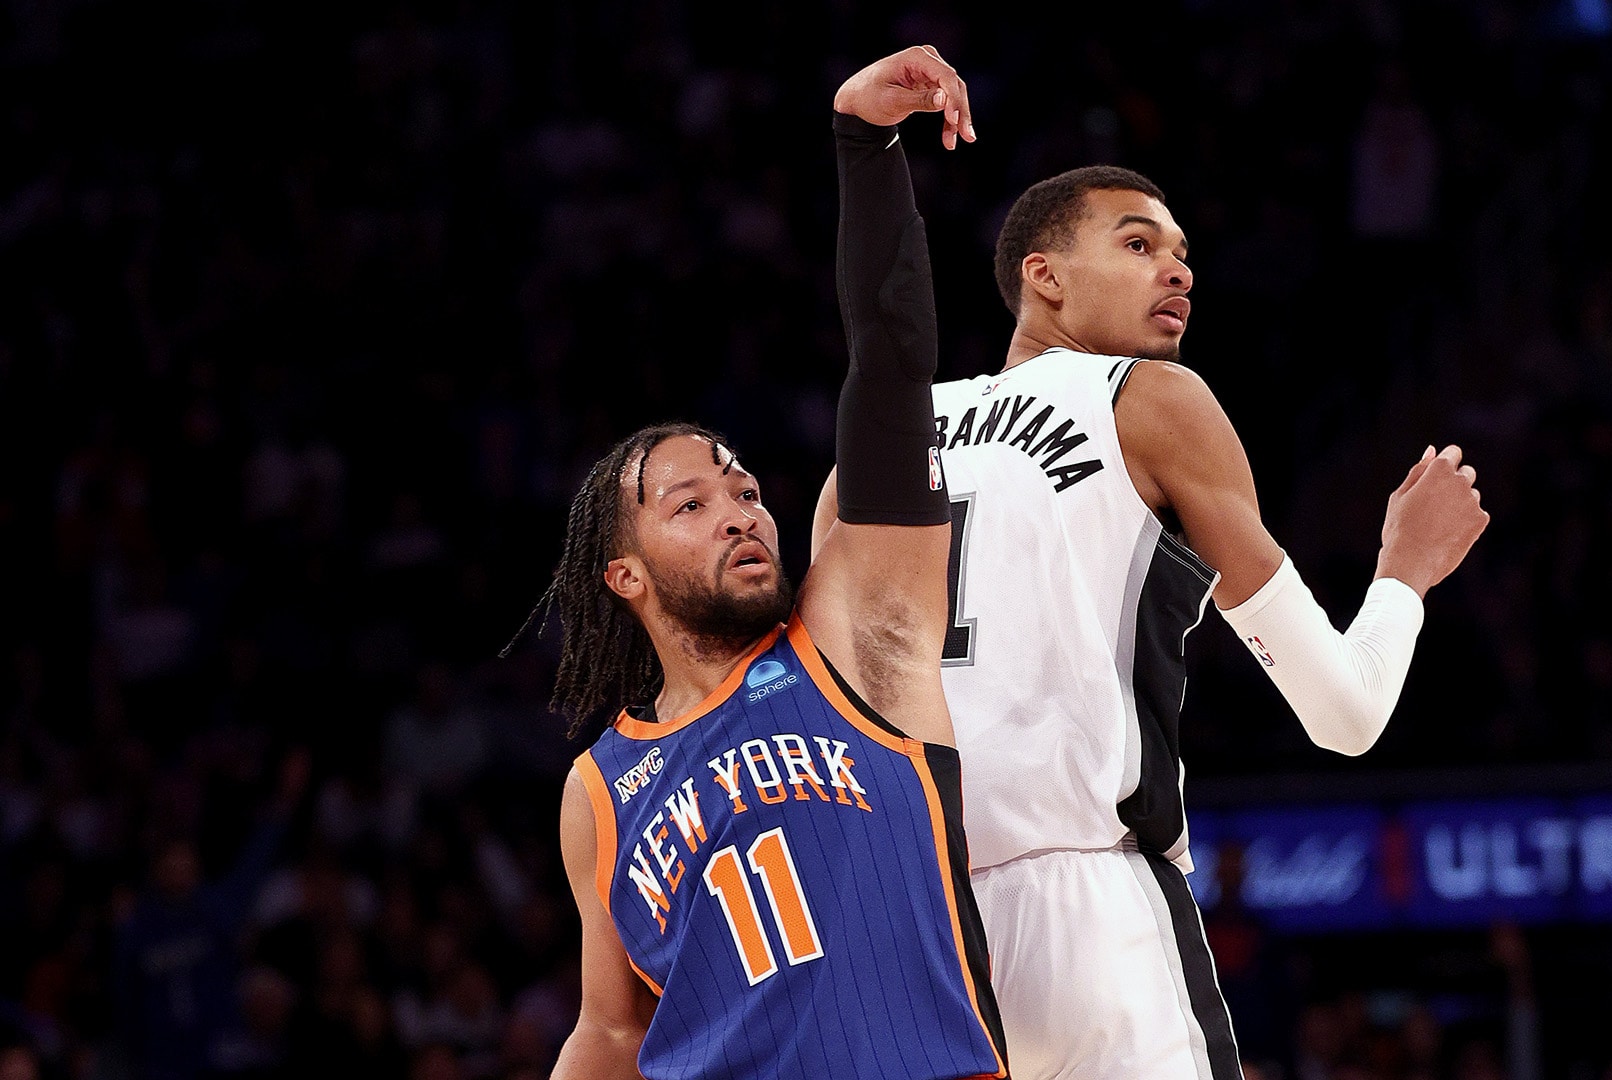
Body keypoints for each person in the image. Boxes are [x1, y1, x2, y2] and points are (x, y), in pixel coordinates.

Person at [813, 168, 1490, 1076]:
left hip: (907, 930)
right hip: (1091, 914)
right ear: (1044, 275)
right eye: (1138, 244)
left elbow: (822, 714)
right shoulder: (1148, 396)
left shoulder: (879, 446)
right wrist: (1406, 570)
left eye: (1182, 255)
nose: (1178, 272)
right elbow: (1345, 713)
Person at [530, 47, 1006, 1080]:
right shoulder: (599, 790)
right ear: (624, 576)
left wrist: (864, 144)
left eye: (745, 490)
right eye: (691, 504)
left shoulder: (850, 637)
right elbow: (610, 1031)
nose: (739, 513)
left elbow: (891, 361)